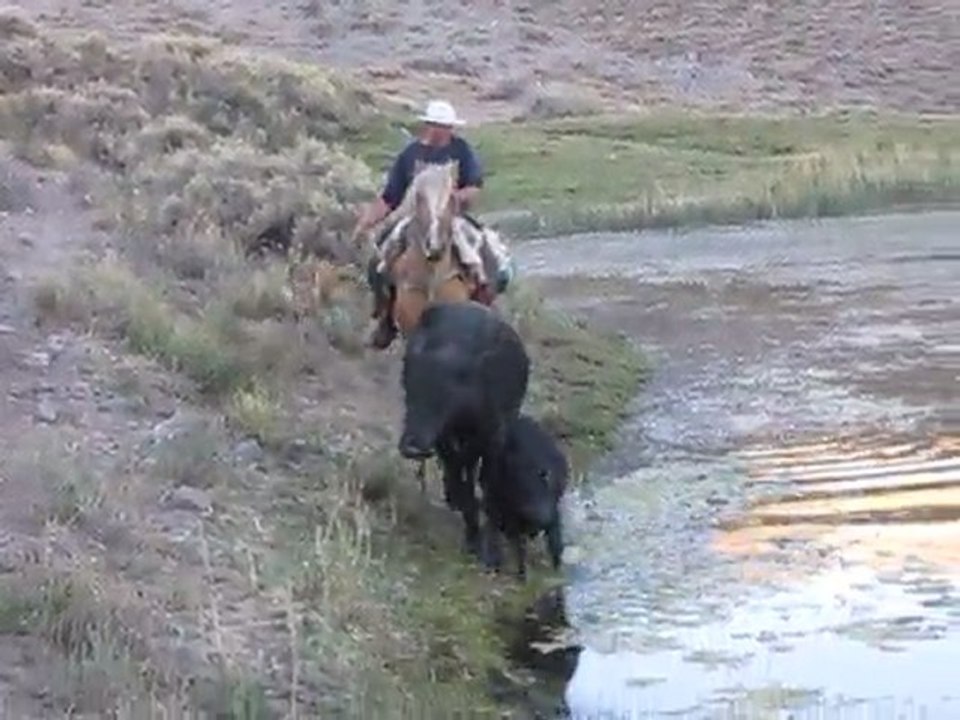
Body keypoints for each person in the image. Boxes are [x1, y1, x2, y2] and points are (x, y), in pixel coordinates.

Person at [352, 99, 513, 349]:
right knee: (380, 261)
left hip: (451, 217)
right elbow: (390, 196)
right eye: (438, 125)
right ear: (428, 125)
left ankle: (486, 307)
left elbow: (474, 187)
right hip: (414, 217)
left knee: (486, 253)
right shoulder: (411, 155)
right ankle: (384, 316)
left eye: (446, 126)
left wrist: (456, 200)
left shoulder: (461, 151)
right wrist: (367, 221)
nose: (442, 131)